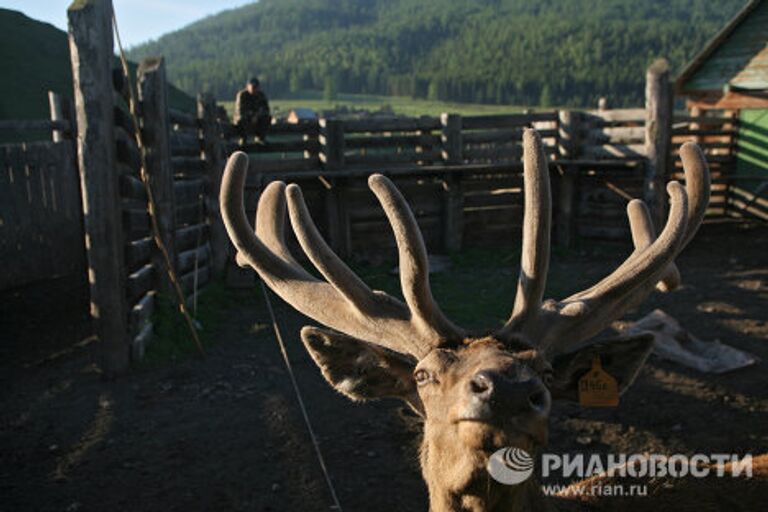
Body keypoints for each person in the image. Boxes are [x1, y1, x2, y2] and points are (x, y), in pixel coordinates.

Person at [234, 77, 271, 145]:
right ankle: (243, 138)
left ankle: (260, 137)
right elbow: (240, 110)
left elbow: (266, 109)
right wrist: (251, 115)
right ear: (247, 87)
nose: (254, 89)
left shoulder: (261, 95)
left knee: (266, 118)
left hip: (257, 118)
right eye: (253, 87)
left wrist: (257, 115)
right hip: (245, 118)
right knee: (241, 119)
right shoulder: (242, 95)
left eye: (256, 87)